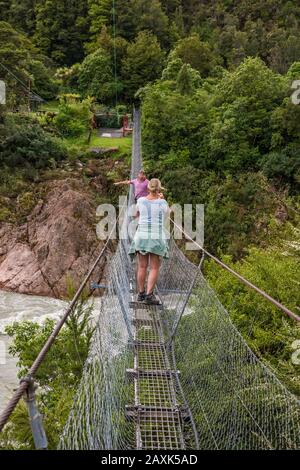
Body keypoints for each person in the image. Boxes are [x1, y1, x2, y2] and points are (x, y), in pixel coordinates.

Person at [129, 178, 169, 305]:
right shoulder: (162, 202)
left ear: (148, 188)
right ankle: (149, 295)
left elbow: (135, 214)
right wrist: (162, 199)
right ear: (159, 189)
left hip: (141, 236)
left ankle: (140, 294)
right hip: (156, 237)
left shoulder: (140, 200)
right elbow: (168, 214)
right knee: (154, 267)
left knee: (142, 266)